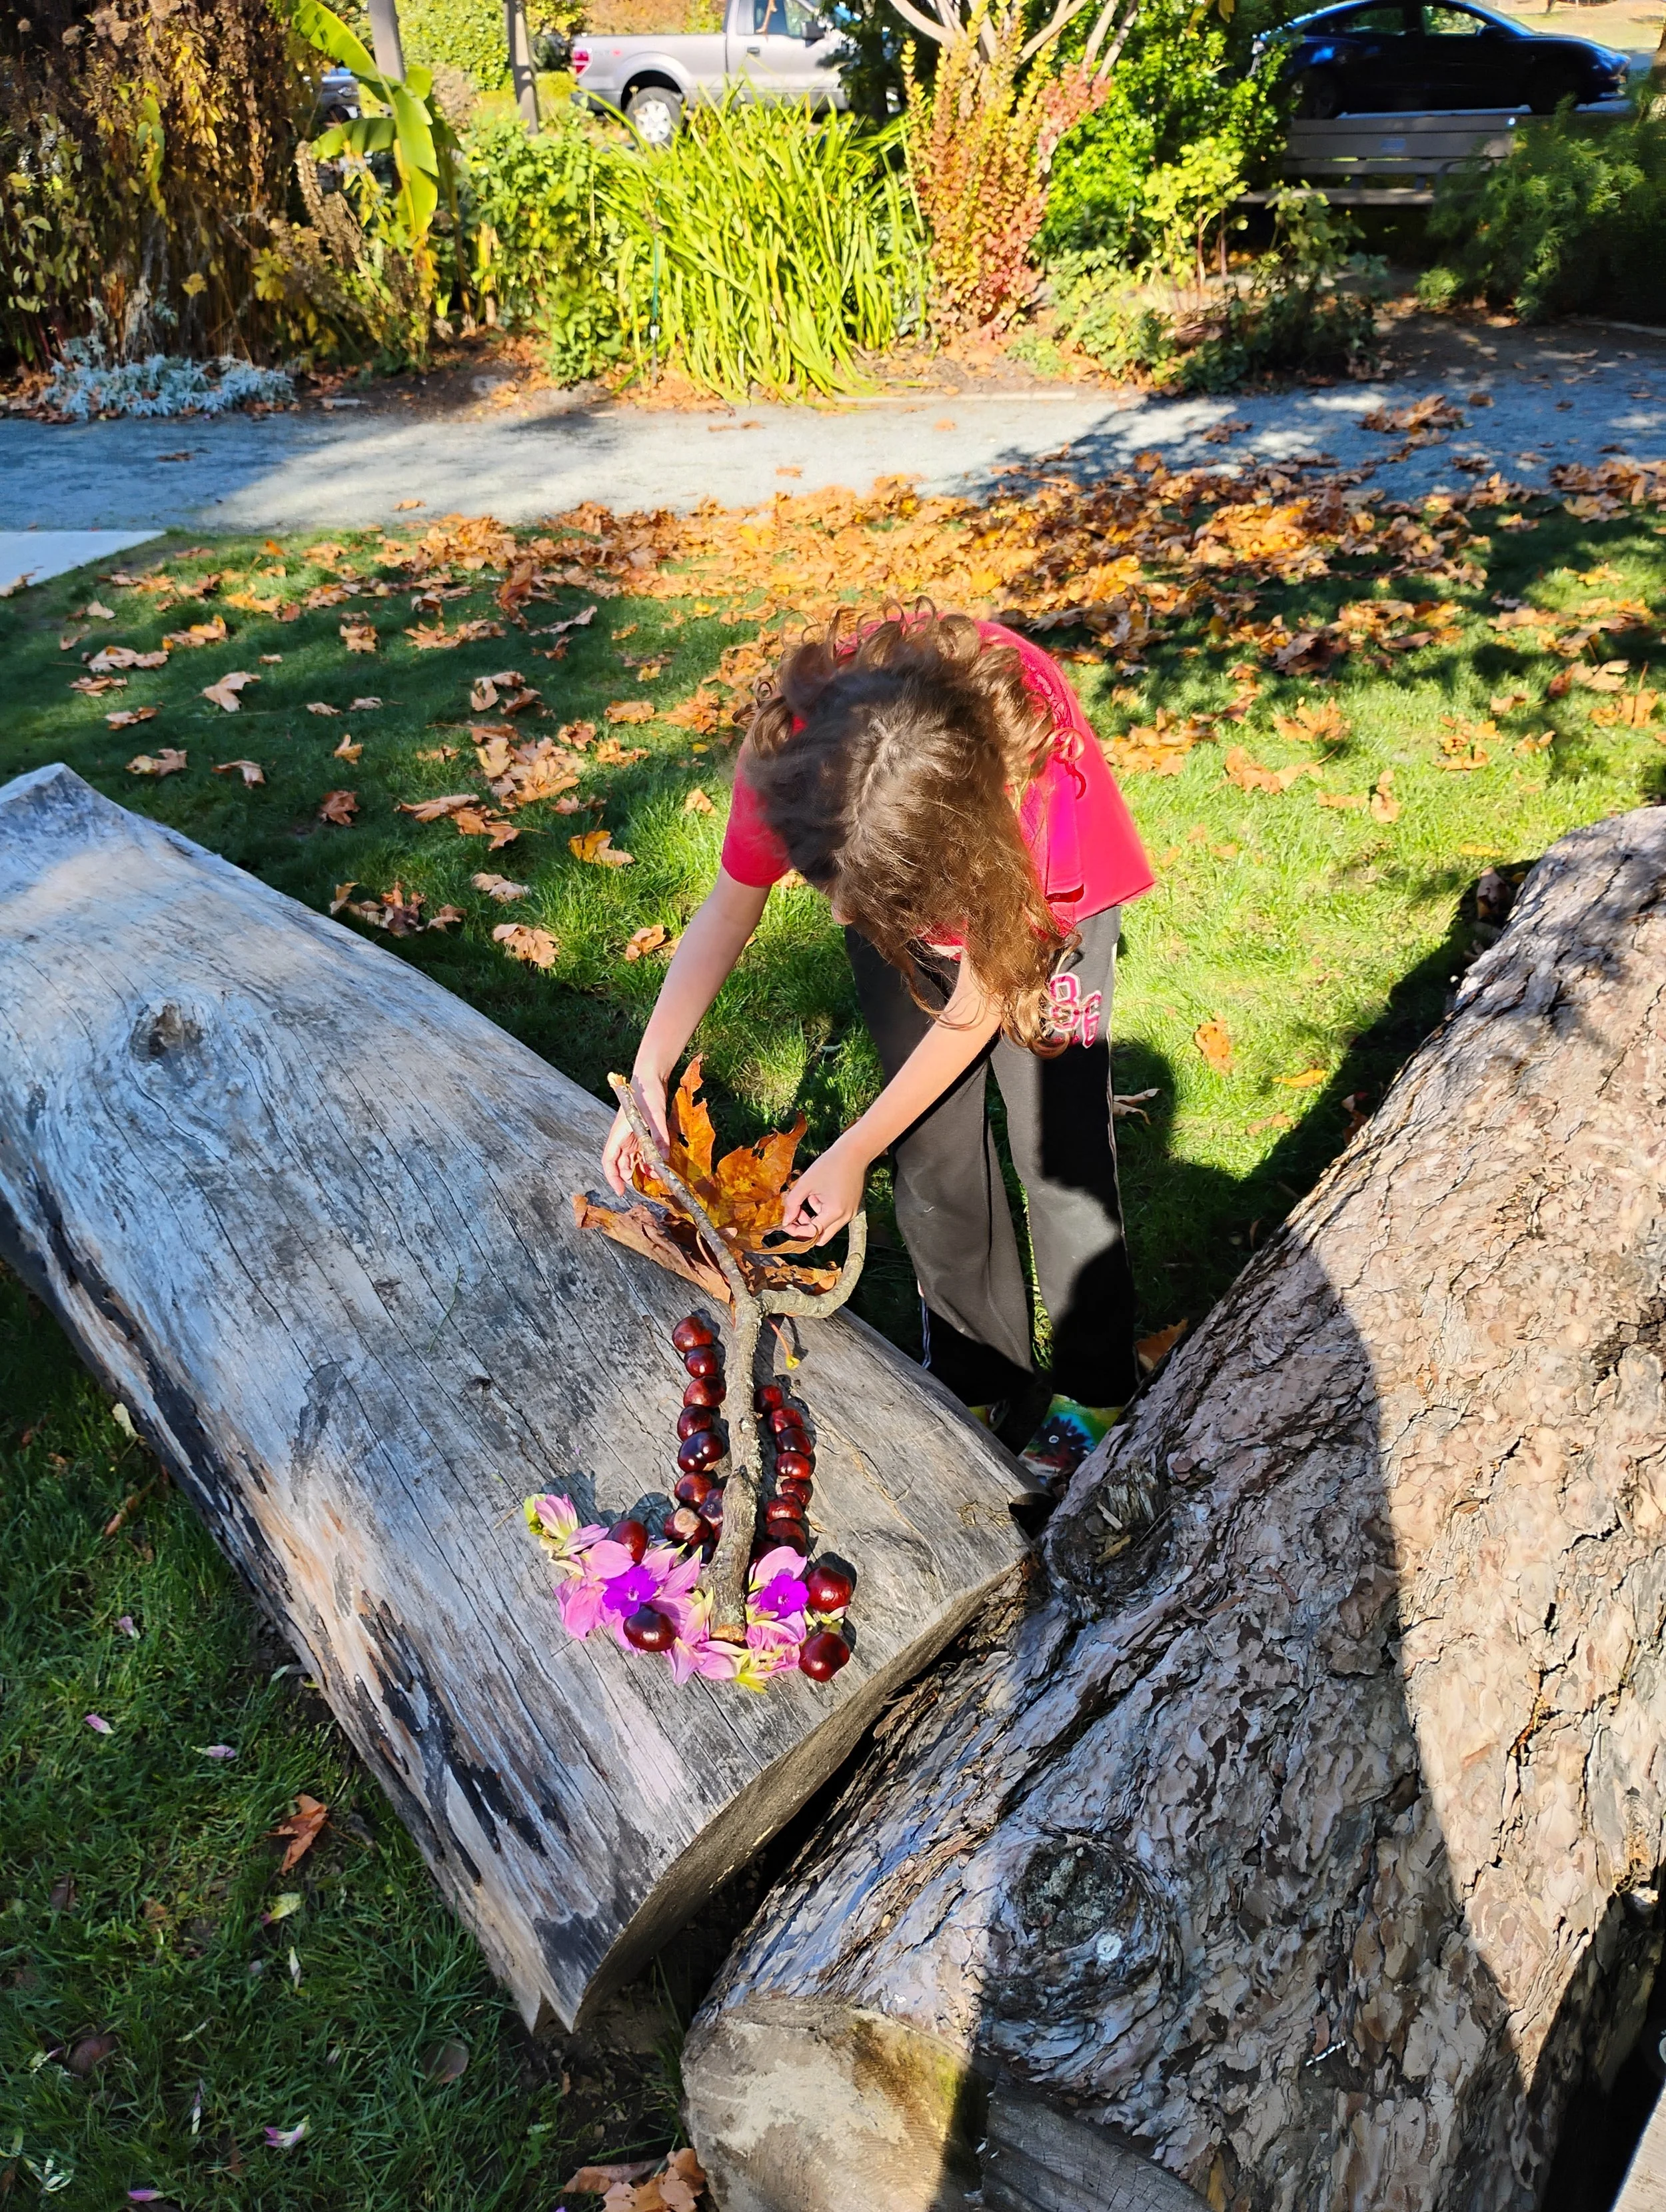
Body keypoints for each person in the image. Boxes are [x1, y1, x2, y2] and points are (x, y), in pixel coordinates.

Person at [602, 606, 1155, 1483]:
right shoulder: (799, 760)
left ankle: (1096, 1389)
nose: (836, 916)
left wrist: (853, 1147)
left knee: (1061, 1154)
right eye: (830, 890)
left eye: (849, 899)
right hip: (899, 867)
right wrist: (649, 1071)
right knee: (929, 1147)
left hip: (1034, 903)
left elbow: (981, 1001)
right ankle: (980, 1373)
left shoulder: (1033, 800)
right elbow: (731, 908)